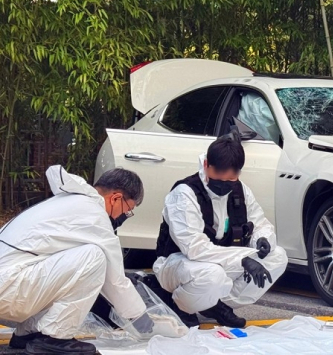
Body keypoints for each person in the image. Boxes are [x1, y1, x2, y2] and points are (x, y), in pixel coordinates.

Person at [0, 166, 155, 355]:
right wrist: (140, 318)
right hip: (10, 290)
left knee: (70, 269)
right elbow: (114, 280)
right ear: (116, 198)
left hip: (10, 286)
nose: (123, 217)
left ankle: (28, 334)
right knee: (95, 257)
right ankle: (55, 339)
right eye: (127, 211)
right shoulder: (95, 215)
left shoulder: (69, 203)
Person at [154, 133, 288, 328]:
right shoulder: (184, 194)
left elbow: (260, 223)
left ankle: (215, 306)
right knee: (212, 275)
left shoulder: (241, 190)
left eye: (231, 179)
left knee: (278, 256)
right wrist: (243, 258)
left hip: (219, 261)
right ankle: (180, 305)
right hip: (178, 264)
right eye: (219, 177)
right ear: (207, 164)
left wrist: (263, 239)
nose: (224, 184)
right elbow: (194, 249)